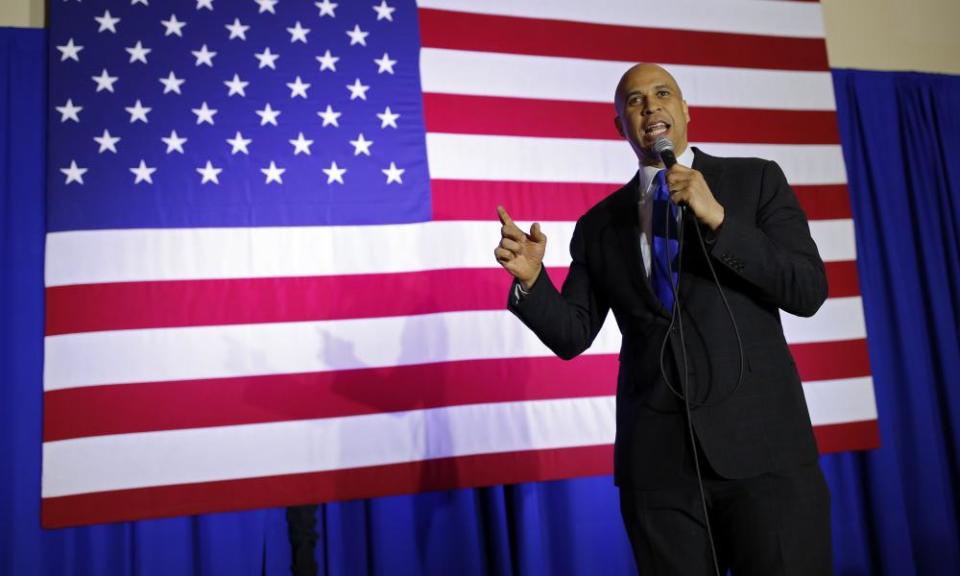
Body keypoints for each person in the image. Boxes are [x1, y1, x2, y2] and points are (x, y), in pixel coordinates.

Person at [494, 63, 832, 575]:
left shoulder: (755, 180)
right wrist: (532, 281)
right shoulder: (598, 225)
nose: (650, 106)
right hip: (658, 469)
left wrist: (718, 217)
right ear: (620, 127)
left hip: (763, 454)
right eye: (634, 100)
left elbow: (807, 290)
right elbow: (572, 334)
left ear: (685, 110)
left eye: (662, 93)